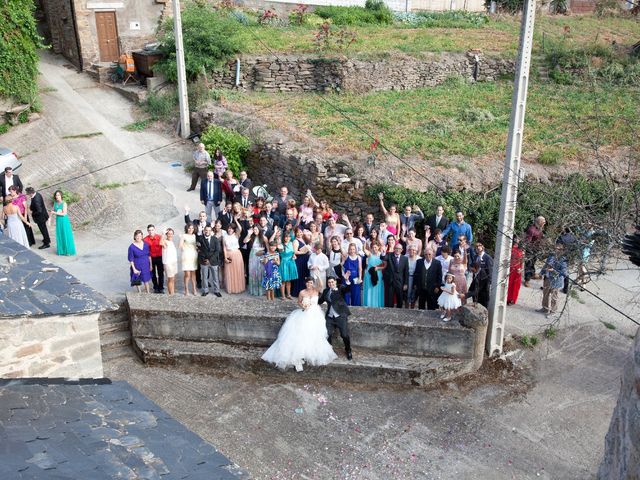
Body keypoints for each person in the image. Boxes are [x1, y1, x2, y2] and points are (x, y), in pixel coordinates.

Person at [262, 277, 338, 372]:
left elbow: (321, 285)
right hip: (304, 313)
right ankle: (299, 353)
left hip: (315, 314)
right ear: (305, 284)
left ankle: (309, 352)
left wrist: (317, 275)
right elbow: (298, 302)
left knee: (314, 333)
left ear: (313, 283)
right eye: (307, 283)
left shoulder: (316, 290)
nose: (309, 284)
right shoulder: (302, 292)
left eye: (310, 283)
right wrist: (303, 306)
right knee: (301, 332)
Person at [318, 275, 353, 360]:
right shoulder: (326, 291)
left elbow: (347, 289)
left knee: (344, 335)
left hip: (341, 316)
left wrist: (347, 281)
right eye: (329, 282)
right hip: (330, 317)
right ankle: (329, 350)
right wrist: (310, 300)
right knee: (327, 334)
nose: (331, 284)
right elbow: (319, 301)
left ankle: (348, 350)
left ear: (335, 282)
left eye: (332, 282)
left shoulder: (340, 288)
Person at [539, 244, 567, 318]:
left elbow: (564, 273)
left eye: (557, 249)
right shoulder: (551, 256)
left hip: (556, 281)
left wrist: (554, 271)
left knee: (554, 297)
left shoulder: (563, 260)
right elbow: (546, 265)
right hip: (547, 278)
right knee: (545, 295)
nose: (555, 250)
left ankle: (553, 311)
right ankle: (545, 308)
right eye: (554, 248)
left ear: (561, 250)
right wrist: (541, 272)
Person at [198, 225, 222, 297]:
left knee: (215, 277)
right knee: (204, 277)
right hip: (204, 261)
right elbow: (200, 250)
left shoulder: (215, 239)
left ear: (211, 231)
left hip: (213, 261)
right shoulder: (200, 239)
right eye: (206, 230)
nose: (207, 231)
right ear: (204, 231)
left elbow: (217, 251)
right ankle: (205, 290)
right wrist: (204, 259)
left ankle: (217, 290)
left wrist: (210, 260)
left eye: (209, 230)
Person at [222, 221, 245, 294]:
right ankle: (231, 288)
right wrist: (225, 257)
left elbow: (240, 228)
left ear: (234, 230)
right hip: (229, 255)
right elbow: (224, 248)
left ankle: (238, 287)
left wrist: (235, 219)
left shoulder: (236, 235)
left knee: (237, 271)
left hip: (237, 254)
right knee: (230, 272)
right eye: (229, 228)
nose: (230, 230)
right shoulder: (224, 237)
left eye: (232, 228)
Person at [50, 190, 76, 256]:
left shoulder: (64, 203)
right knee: (60, 235)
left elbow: (64, 213)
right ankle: (61, 251)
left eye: (58, 195)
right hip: (58, 221)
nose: (57, 196)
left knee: (65, 234)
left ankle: (68, 251)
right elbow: (52, 211)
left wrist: (55, 213)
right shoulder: (55, 203)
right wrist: (49, 218)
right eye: (56, 195)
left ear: (61, 196)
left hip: (64, 221)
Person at [383, 243, 408, 308]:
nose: (397, 250)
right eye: (396, 248)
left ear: (402, 250)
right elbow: (383, 257)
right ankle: (389, 312)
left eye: (399, 249)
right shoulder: (389, 255)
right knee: (389, 299)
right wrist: (383, 253)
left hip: (400, 282)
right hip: (390, 281)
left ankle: (399, 313)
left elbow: (406, 272)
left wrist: (405, 283)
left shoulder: (405, 258)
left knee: (399, 299)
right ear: (394, 249)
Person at [523, 216, 546, 287]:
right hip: (530, 251)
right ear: (539, 222)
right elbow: (527, 241)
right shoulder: (532, 230)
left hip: (536, 250)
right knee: (528, 265)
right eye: (543, 222)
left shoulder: (539, 229)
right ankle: (527, 280)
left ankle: (532, 274)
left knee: (533, 263)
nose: (544, 223)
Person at [470, 242, 493, 308]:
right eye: (476, 246)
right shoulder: (475, 256)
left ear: (483, 247)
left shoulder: (487, 258)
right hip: (476, 280)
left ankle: (485, 314)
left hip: (484, 282)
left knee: (484, 299)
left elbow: (490, 271)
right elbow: (472, 266)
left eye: (479, 246)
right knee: (475, 297)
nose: (477, 247)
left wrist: (489, 282)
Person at [245, 225, 266, 296]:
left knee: (261, 272)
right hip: (253, 256)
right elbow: (244, 241)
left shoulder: (264, 237)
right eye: (254, 230)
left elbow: (268, 249)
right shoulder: (251, 237)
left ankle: (261, 290)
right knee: (253, 272)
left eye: (256, 229)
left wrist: (264, 253)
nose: (255, 231)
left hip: (261, 256)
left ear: (259, 229)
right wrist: (249, 234)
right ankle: (254, 290)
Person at [363, 241, 384, 308]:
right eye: (373, 247)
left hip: (378, 274)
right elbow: (364, 249)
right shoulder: (370, 254)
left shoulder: (381, 255)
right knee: (369, 288)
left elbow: (384, 266)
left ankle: (376, 304)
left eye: (375, 247)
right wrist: (364, 243)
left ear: (378, 247)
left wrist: (378, 268)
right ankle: (369, 304)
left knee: (377, 289)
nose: (374, 248)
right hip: (369, 275)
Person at [144, 224, 164, 294]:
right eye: (149, 230)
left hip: (159, 257)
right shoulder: (145, 240)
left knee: (160, 273)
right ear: (147, 231)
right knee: (153, 274)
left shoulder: (159, 237)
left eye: (152, 230)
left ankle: (161, 288)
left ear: (154, 230)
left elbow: (164, 246)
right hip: (151, 258)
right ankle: (155, 287)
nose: (151, 232)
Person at [179, 224, 198, 295]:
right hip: (186, 256)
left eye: (192, 228)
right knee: (187, 274)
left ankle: (194, 289)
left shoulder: (194, 236)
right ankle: (186, 289)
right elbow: (180, 246)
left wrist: (196, 249)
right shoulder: (184, 236)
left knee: (193, 274)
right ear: (187, 228)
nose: (191, 229)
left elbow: (195, 246)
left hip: (193, 256)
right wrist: (186, 250)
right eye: (189, 228)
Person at [292, 228, 311, 297]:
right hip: (300, 260)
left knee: (304, 276)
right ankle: (297, 292)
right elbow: (295, 251)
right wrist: (303, 252)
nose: (299, 234)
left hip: (305, 259)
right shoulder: (295, 241)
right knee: (299, 275)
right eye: (297, 232)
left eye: (300, 232)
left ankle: (304, 291)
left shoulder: (303, 239)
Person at [279, 233, 298, 299]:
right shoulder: (281, 245)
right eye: (286, 237)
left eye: (288, 237)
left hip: (291, 262)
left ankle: (288, 294)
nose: (287, 238)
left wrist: (294, 256)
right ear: (284, 238)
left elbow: (293, 253)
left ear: (290, 237)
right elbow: (281, 254)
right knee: (283, 280)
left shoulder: (291, 244)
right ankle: (283, 295)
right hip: (284, 262)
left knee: (289, 280)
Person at [507, 237, 524, 305]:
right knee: (509, 284)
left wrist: (521, 269)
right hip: (510, 268)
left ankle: (512, 299)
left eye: (518, 239)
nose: (517, 240)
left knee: (515, 285)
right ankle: (507, 298)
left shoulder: (521, 250)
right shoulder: (509, 247)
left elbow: (522, 261)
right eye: (516, 238)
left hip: (517, 269)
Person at [161, 228, 178, 295]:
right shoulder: (165, 241)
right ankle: (171, 295)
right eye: (168, 233)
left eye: (171, 233)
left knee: (173, 279)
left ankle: (172, 293)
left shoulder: (172, 242)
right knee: (170, 279)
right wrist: (162, 234)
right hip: (168, 263)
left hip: (174, 262)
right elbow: (160, 243)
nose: (170, 235)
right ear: (166, 234)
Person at [405, 244, 421, 308]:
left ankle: (412, 308)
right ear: (408, 250)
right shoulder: (405, 257)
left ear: (416, 251)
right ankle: (406, 308)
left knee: (414, 293)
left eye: (414, 250)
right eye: (410, 250)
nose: (412, 251)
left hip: (415, 279)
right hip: (406, 277)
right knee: (406, 293)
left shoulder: (419, 259)